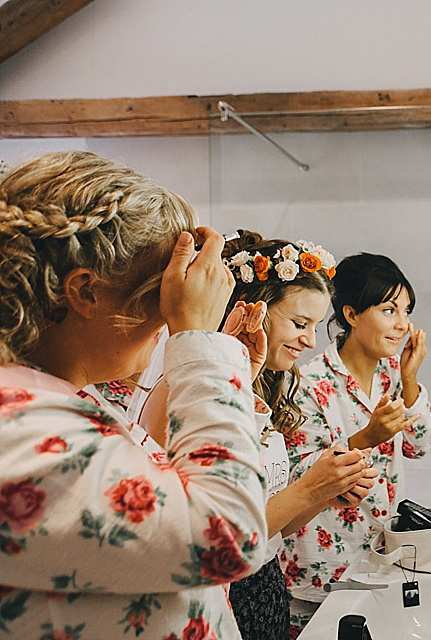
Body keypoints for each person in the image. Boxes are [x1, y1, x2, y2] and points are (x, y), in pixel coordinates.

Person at [0, 151, 267, 638]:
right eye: (160, 295)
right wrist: (201, 341)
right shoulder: (16, 428)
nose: (169, 318)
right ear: (85, 291)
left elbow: (170, 479)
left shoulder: (68, 399)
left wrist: (227, 376)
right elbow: (228, 534)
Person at [135, 231, 378, 640]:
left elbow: (268, 523)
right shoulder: (184, 391)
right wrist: (308, 489)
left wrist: (323, 492)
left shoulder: (260, 385)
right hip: (223, 592)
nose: (310, 340)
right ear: (253, 310)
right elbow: (208, 535)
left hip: (265, 584)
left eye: (316, 325)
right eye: (300, 323)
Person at [280, 253, 431, 635]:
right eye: (389, 310)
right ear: (351, 315)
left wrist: (410, 378)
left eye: (406, 311)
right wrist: (367, 437)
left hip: (380, 563)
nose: (402, 325)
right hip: (319, 571)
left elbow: (420, 445)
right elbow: (296, 475)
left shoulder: (392, 378)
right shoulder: (308, 382)